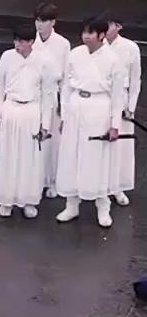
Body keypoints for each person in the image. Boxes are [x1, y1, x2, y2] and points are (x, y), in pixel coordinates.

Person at [56, 19, 123, 229]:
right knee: (72, 155)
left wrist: (115, 124)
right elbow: (66, 86)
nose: (86, 36)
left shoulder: (113, 59)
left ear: (102, 35)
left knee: (97, 158)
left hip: (99, 107)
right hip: (76, 105)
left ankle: (103, 206)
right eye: (84, 32)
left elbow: (117, 95)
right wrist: (64, 115)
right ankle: (71, 204)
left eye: (91, 33)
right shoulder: (75, 54)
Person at [0, 26, 50, 220]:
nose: (17, 45)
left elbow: (47, 95)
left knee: (29, 158)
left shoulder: (42, 61)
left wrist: (45, 124)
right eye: (15, 41)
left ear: (31, 42)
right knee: (7, 155)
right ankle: (6, 200)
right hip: (10, 109)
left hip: (31, 111)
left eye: (21, 41)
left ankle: (28, 200)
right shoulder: (7, 57)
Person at [33, 4, 71, 199]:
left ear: (53, 22)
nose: (40, 25)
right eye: (38, 20)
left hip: (53, 96)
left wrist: (64, 106)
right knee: (33, 140)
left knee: (52, 142)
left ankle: (52, 181)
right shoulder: (30, 41)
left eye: (44, 20)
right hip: (33, 96)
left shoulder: (62, 44)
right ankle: (34, 180)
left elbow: (66, 78)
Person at [106, 17, 141, 206]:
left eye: (110, 24)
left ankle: (118, 187)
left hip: (122, 98)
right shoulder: (97, 45)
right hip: (103, 98)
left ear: (118, 27)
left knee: (121, 146)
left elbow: (135, 80)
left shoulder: (130, 48)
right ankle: (100, 185)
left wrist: (131, 107)